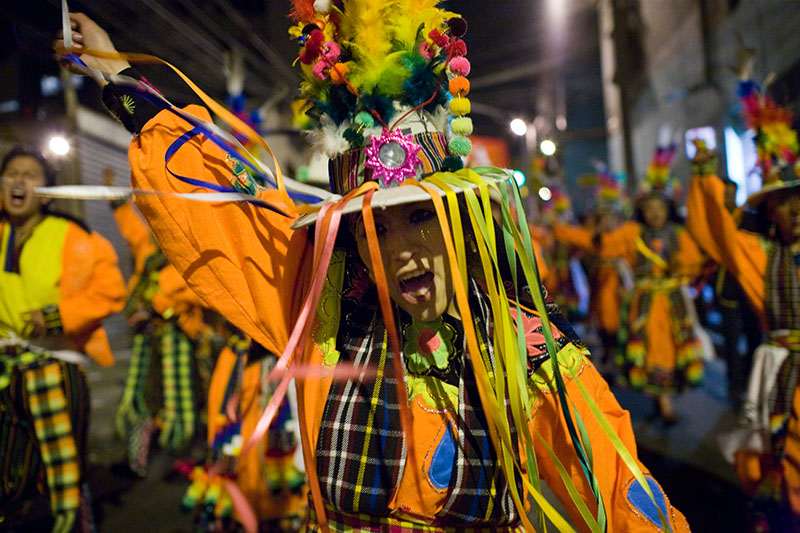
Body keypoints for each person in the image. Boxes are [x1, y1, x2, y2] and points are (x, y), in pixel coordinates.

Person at [56, 6, 690, 532]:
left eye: (418, 217)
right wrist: (116, 73)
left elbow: (617, 491)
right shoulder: (321, 316)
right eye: (373, 228)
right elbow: (223, 212)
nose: (400, 249)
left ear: (462, 223)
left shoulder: (525, 355)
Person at [687, 93, 800, 529]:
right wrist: (704, 175)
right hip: (787, 378)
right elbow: (717, 227)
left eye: (799, 197)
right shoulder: (761, 256)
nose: (795, 208)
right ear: (769, 211)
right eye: (783, 200)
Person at [0, 146, 125, 532]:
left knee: (63, 471)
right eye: (12, 173)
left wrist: (55, 317)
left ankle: (75, 522)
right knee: (8, 473)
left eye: (31, 175)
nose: (19, 180)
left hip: (55, 368)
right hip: (6, 369)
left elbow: (111, 291)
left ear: (49, 193)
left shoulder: (74, 235)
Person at [555, 146, 706, 424]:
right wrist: (560, 228)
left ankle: (666, 398)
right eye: (649, 208)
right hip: (645, 305)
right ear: (641, 211)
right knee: (649, 350)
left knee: (673, 347)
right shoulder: (632, 233)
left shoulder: (677, 235)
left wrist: (680, 268)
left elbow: (694, 260)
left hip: (673, 304)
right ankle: (663, 401)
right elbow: (600, 245)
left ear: (668, 209)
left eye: (659, 207)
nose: (655, 213)